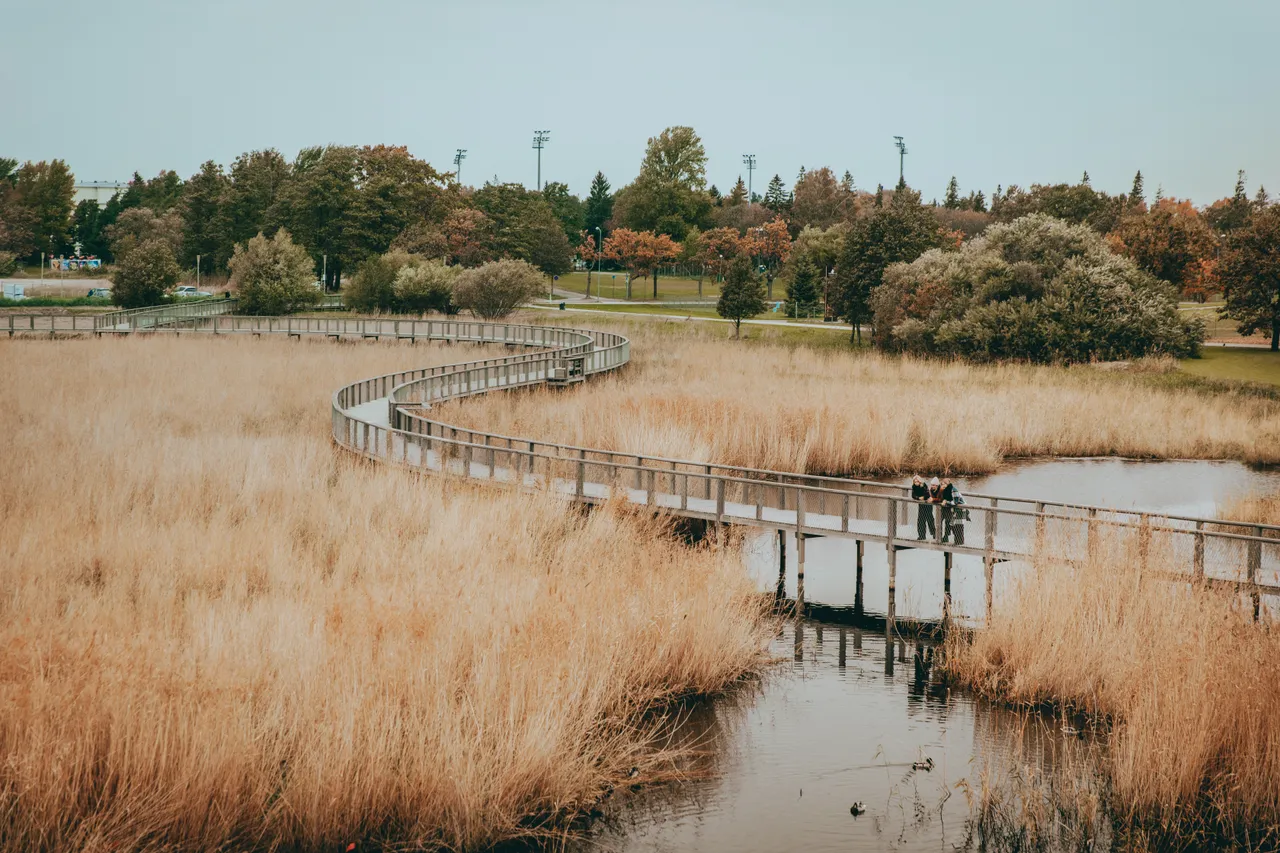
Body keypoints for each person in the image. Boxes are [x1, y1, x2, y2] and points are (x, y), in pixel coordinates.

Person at [940, 478, 967, 545]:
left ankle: (960, 542)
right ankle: (957, 541)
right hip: (954, 510)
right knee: (953, 525)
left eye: (944, 483)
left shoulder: (953, 490)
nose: (943, 485)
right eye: (942, 483)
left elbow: (955, 502)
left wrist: (946, 502)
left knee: (958, 526)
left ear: (948, 483)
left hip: (960, 509)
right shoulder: (946, 490)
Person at [911, 475, 935, 541]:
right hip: (921, 504)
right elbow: (913, 495)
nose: (916, 482)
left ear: (920, 481)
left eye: (917, 481)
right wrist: (918, 498)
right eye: (915, 481)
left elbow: (927, 494)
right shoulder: (914, 487)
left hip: (928, 504)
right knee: (921, 520)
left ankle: (934, 534)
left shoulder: (924, 485)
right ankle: (921, 536)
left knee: (929, 519)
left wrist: (923, 497)